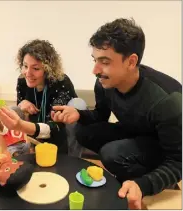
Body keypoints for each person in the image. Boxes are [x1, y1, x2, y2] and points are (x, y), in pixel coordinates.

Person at [51, 18, 182, 209]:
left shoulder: (168, 101)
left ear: (131, 61)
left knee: (111, 154)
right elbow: (100, 116)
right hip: (134, 131)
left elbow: (179, 160)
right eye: (95, 60)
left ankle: (144, 181)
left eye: (104, 62)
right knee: (83, 133)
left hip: (162, 146)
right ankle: (129, 171)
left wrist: (143, 185)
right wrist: (79, 114)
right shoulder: (104, 83)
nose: (95, 70)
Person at [0, 39, 81, 154]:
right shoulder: (22, 81)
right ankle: (20, 154)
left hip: (60, 133)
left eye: (35, 68)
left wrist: (23, 125)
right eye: (25, 66)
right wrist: (21, 106)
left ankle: (72, 159)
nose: (28, 73)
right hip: (35, 131)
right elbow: (22, 116)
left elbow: (56, 126)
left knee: (78, 103)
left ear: (48, 70)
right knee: (14, 110)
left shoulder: (61, 82)